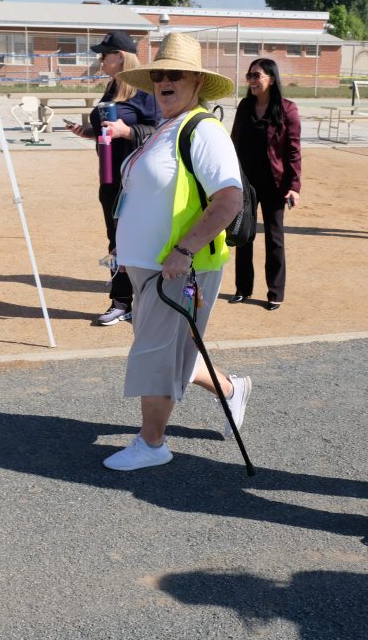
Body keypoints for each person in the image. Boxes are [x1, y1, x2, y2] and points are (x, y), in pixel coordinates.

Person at [99, 32, 251, 471]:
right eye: (160, 74)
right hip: (149, 267)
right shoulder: (167, 126)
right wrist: (122, 239)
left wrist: (184, 250)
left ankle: (153, 444)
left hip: (177, 269)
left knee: (156, 353)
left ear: (196, 83)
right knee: (168, 349)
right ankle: (231, 389)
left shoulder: (203, 129)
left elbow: (229, 199)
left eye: (176, 74)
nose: (165, 80)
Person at [70, 31, 160, 326]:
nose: (100, 60)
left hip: (135, 182)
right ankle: (121, 303)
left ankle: (139, 300)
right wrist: (87, 131)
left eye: (104, 54)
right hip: (109, 179)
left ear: (120, 57)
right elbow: (107, 127)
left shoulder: (146, 92)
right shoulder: (113, 88)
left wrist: (128, 132)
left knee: (137, 241)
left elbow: (158, 131)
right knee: (115, 241)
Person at [228, 58, 301, 311]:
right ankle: (243, 288)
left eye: (256, 75)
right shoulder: (245, 106)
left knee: (274, 237)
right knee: (243, 234)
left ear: (271, 78)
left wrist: (294, 185)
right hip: (245, 182)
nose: (251, 80)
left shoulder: (287, 109)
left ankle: (275, 292)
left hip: (274, 183)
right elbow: (233, 142)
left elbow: (293, 151)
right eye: (249, 76)